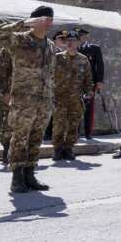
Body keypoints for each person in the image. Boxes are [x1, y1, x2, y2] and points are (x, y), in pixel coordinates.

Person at [0, 6, 58, 193]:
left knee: (36, 138)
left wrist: (52, 99)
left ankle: (30, 174)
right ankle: (17, 177)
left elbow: (51, 75)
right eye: (45, 18)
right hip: (24, 100)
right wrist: (23, 24)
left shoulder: (51, 46)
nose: (49, 22)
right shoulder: (21, 40)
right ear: (34, 20)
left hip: (44, 100)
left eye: (51, 18)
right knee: (20, 137)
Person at [52, 30, 94, 161]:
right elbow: (50, 76)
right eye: (68, 41)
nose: (70, 43)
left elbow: (88, 79)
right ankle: (58, 149)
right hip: (59, 98)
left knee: (73, 125)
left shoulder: (83, 59)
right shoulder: (58, 57)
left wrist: (89, 91)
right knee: (59, 124)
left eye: (73, 41)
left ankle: (69, 149)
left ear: (78, 43)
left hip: (76, 98)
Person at [77, 28, 104, 140]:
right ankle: (75, 133)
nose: (80, 39)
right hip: (75, 83)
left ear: (86, 37)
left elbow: (100, 66)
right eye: (78, 37)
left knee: (89, 107)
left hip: (89, 83)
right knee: (76, 107)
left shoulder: (94, 48)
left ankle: (88, 133)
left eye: (81, 36)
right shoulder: (73, 48)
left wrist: (99, 81)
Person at [0, 46, 13, 165]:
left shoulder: (33, 45)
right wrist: (5, 92)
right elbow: (1, 74)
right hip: (11, 92)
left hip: (30, 93)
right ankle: (7, 151)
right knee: (8, 122)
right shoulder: (7, 49)